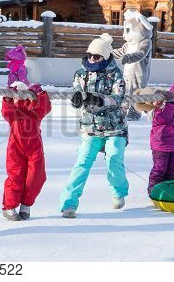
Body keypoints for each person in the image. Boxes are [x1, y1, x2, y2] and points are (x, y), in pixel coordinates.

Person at [60, 33, 129, 218]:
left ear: (105, 57)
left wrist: (98, 99)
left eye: (96, 56)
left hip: (115, 127)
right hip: (90, 128)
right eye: (89, 55)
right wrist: (76, 99)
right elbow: (77, 91)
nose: (92, 59)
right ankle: (69, 203)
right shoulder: (81, 73)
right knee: (82, 163)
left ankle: (118, 192)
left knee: (114, 159)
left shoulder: (115, 74)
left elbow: (118, 97)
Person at [0, 48, 51, 220]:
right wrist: (8, 97)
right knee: (15, 177)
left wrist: (40, 94)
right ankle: (9, 206)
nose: (18, 100)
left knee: (36, 177)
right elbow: (6, 111)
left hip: (34, 149)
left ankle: (26, 204)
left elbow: (44, 108)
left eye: (21, 96)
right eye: (16, 97)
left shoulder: (33, 110)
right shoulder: (12, 113)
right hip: (15, 148)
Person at [134, 83, 174, 194]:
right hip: (161, 147)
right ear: (150, 104)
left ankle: (168, 189)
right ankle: (154, 190)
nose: (160, 102)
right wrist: (170, 101)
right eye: (156, 100)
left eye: (161, 98)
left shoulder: (168, 102)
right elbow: (165, 118)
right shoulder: (153, 112)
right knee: (160, 169)